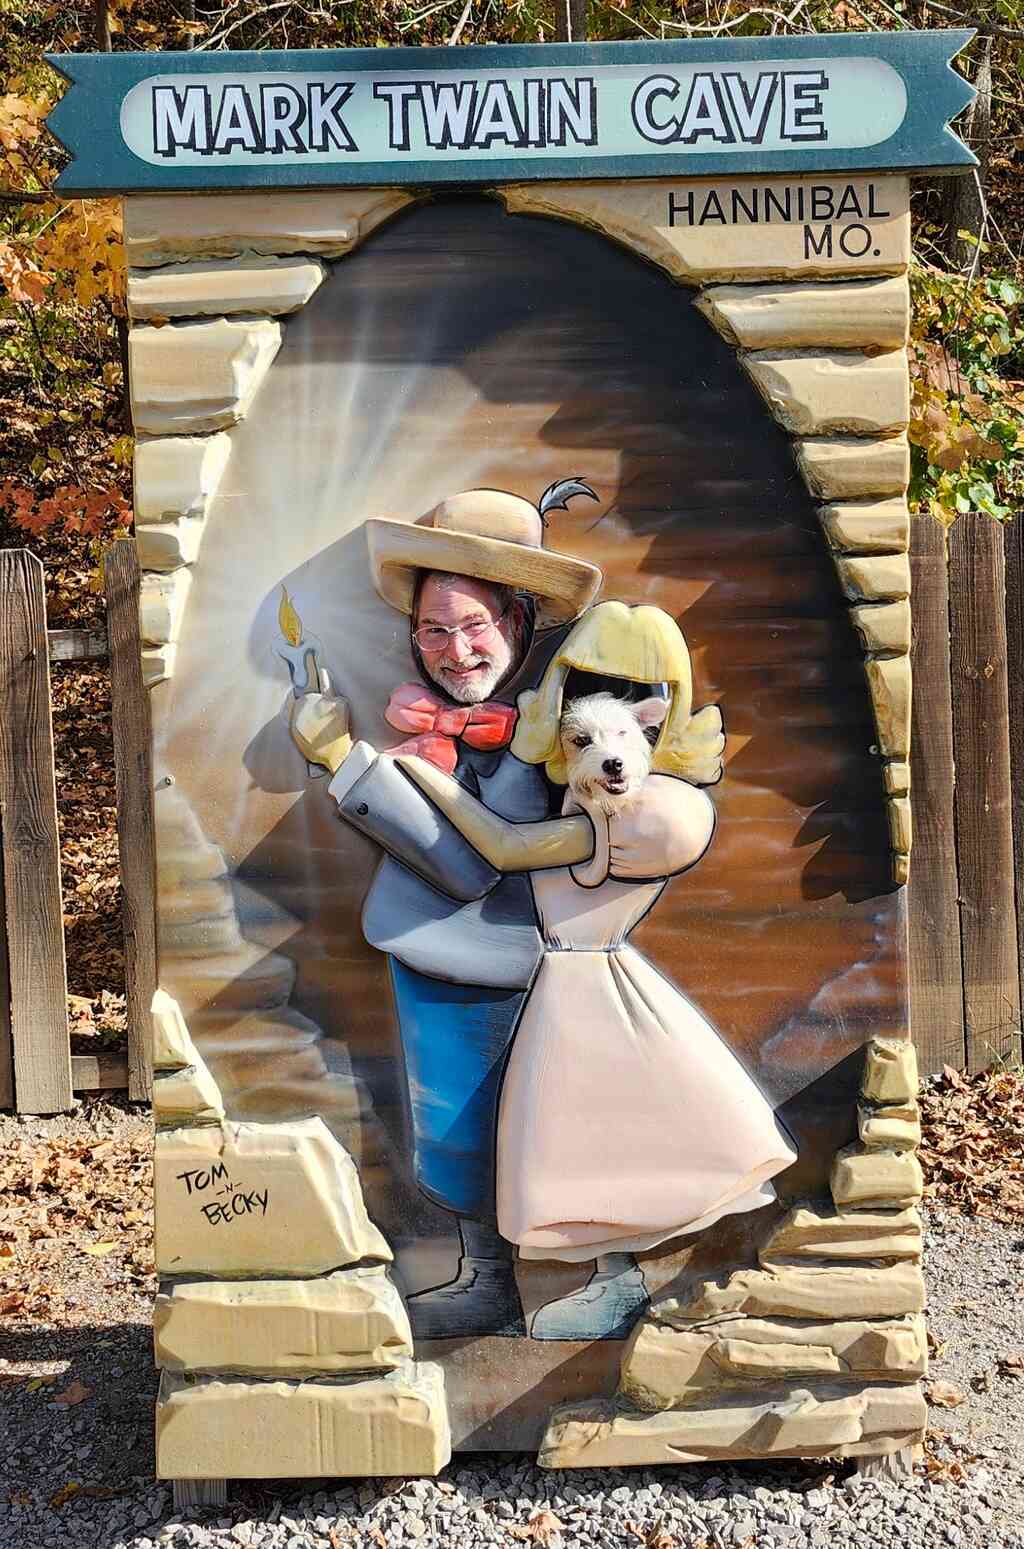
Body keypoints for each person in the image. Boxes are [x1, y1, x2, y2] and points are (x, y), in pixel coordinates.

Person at [290, 486, 721, 1339]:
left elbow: (468, 863)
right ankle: (485, 1277)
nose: (455, 651)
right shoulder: (464, 723)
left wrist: (343, 758)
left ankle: (598, 1274)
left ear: (519, 622)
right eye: (433, 629)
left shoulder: (546, 740)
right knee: (452, 1132)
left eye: (475, 625)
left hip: (503, 964)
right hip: (427, 956)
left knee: (540, 1128)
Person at [390, 603, 797, 1334]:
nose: (609, 756)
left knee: (614, 1136)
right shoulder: (584, 794)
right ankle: (591, 1279)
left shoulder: (647, 812)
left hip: (594, 984)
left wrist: (422, 777)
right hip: (564, 980)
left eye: (629, 728)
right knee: (582, 1142)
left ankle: (620, 1280)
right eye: (585, 730)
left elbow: (507, 847)